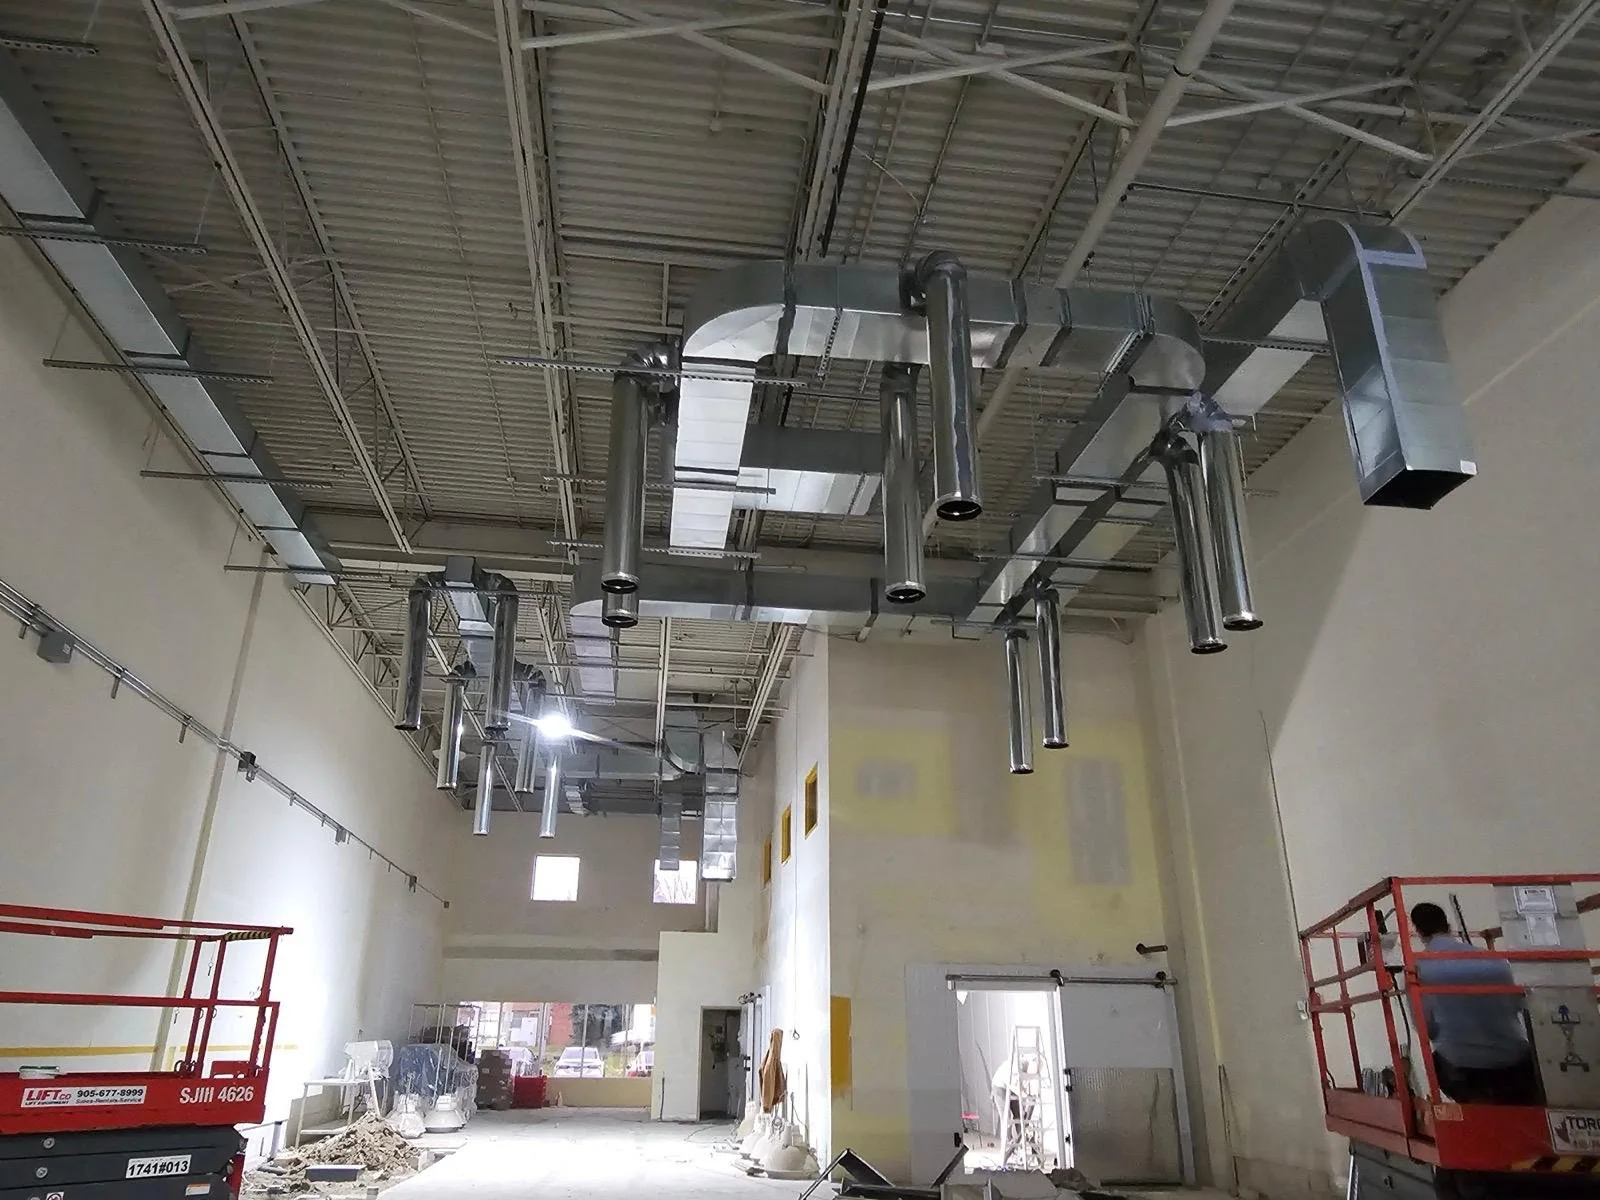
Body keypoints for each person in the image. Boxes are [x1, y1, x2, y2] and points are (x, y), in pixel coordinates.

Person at [1409, 901, 1541, 1105]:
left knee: (1436, 1061)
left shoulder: (1418, 969)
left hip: (1465, 1071)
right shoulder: (1496, 961)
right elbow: (1518, 1007)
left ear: (1418, 931)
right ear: (1448, 925)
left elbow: (1426, 1028)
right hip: (1518, 1065)